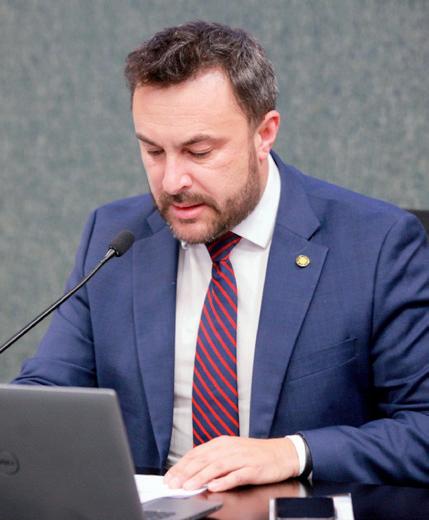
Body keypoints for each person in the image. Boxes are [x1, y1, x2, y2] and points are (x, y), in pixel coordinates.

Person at [13, 21, 429, 491]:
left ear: (264, 133)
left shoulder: (376, 244)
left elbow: (422, 428)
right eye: (153, 151)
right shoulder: (115, 240)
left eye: (199, 152)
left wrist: (292, 452)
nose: (172, 181)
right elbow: (45, 396)